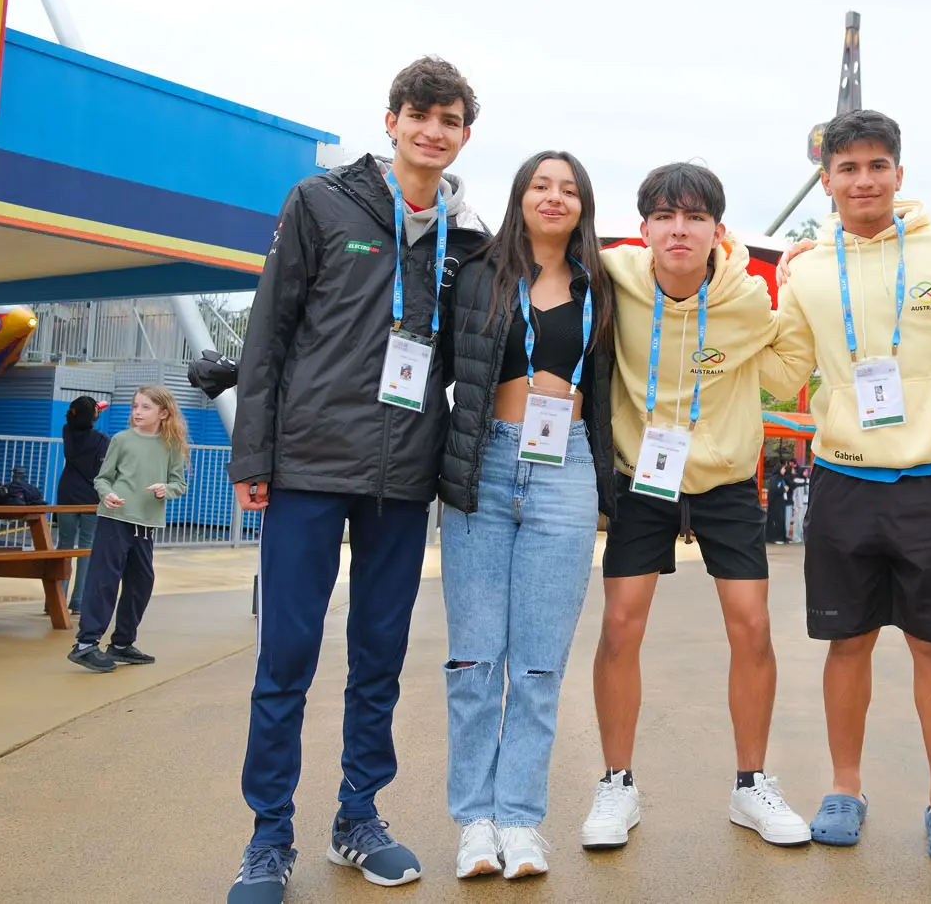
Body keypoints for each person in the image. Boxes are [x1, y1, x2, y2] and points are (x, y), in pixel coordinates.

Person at [225, 57, 483, 903]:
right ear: (391, 119)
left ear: (464, 134)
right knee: (287, 655)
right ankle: (269, 835)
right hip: (307, 461)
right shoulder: (320, 202)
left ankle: (358, 815)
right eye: (421, 115)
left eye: (449, 120)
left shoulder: (468, 237)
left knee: (380, 655)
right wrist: (253, 456)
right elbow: (269, 331)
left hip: (403, 475)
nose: (433, 131)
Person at [767, 109, 931, 862]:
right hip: (844, 478)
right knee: (848, 643)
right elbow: (782, 370)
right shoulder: (806, 270)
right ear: (827, 179)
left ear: (899, 174)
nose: (864, 180)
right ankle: (845, 787)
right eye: (848, 168)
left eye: (878, 166)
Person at [582, 162, 812, 853]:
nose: (678, 230)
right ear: (644, 227)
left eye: (694, 217)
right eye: (664, 216)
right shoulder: (614, 276)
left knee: (753, 627)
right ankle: (616, 783)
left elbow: (784, 374)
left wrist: (799, 287)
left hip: (724, 480)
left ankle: (751, 784)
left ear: (718, 229)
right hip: (642, 477)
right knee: (620, 625)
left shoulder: (746, 297)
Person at [437, 150, 616, 881]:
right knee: (476, 659)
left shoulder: (602, 284)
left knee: (540, 663)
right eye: (541, 185)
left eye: (568, 189)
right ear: (519, 197)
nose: (554, 197)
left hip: (565, 469)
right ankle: (475, 822)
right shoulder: (476, 272)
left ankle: (519, 818)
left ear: (583, 206)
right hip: (483, 462)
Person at [66, 386, 187, 672]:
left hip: (146, 524)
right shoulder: (121, 440)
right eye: (135, 406)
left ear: (163, 413)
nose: (137, 412)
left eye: (145, 407)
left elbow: (179, 483)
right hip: (115, 518)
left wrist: (166, 489)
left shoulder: (172, 445)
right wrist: (106, 494)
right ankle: (86, 644)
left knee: (141, 583)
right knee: (104, 580)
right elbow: (103, 478)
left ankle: (122, 643)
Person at [56, 395, 109, 613]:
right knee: (87, 548)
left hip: (67, 493)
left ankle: (56, 599)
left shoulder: (67, 432)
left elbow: (77, 421)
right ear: (93, 416)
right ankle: (78, 601)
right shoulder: (102, 440)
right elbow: (101, 469)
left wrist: (90, 412)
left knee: (64, 546)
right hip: (91, 496)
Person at [766, 461, 790, 544]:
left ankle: (782, 537)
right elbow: (774, 489)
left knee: (781, 519)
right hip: (775, 503)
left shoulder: (781, 478)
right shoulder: (775, 478)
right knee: (776, 520)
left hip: (781, 502)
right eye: (783, 468)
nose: (784, 470)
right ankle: (775, 538)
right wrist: (784, 489)